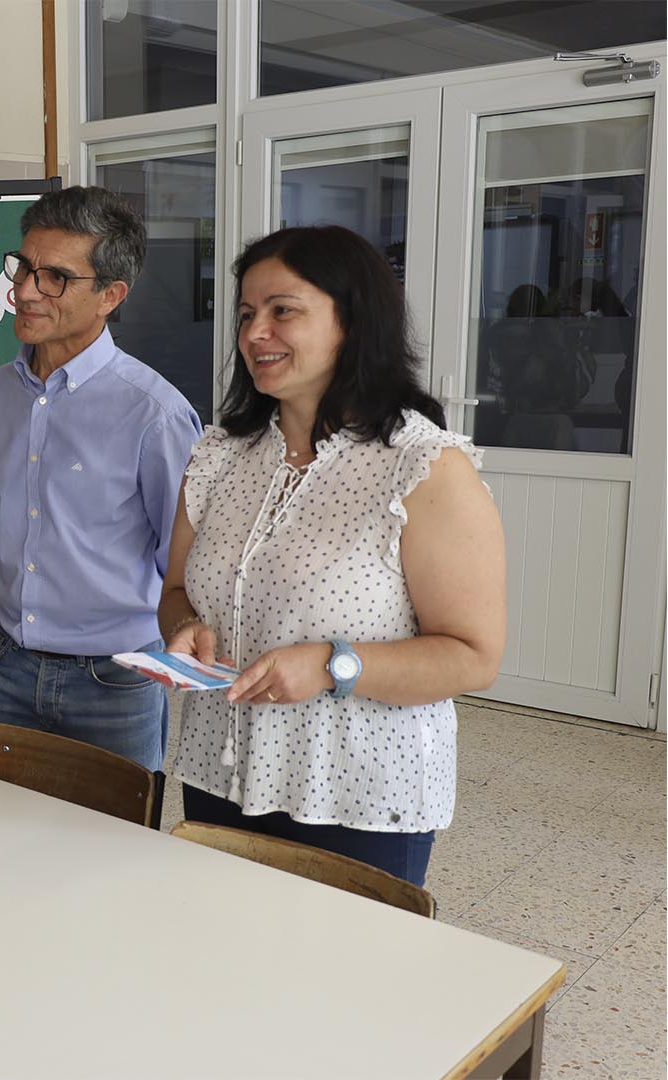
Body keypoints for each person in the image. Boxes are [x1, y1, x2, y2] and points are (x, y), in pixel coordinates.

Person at [159, 225, 506, 887]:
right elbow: (175, 591)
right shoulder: (219, 457)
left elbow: (472, 654)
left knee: (343, 985)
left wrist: (330, 665)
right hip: (219, 767)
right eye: (245, 314)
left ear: (351, 322)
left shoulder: (423, 467)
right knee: (216, 962)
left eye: (281, 310)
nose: (255, 332)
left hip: (358, 792)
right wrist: (183, 628)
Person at [0, 186, 203, 774]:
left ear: (110, 296)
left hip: (114, 678)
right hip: (3, 661)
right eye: (23, 268)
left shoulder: (156, 415)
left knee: (113, 858)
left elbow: (186, 564)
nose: (24, 291)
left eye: (55, 279)